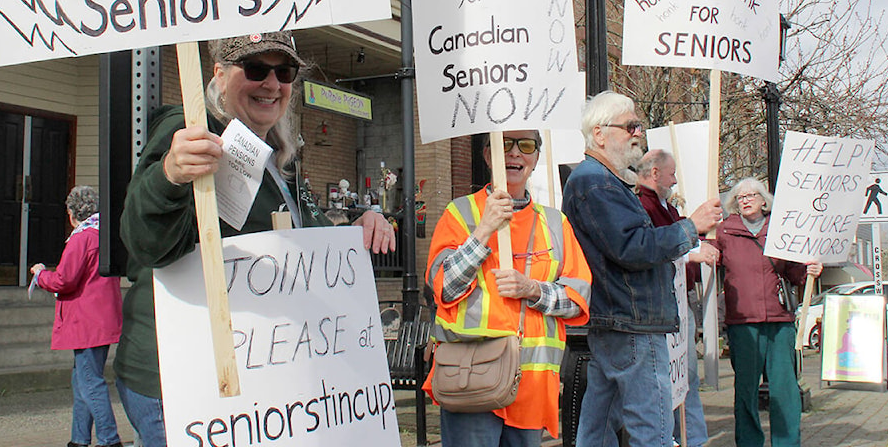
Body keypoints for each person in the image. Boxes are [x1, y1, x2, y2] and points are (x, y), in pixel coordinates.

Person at [112, 32, 396, 447]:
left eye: (283, 72)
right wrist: (170, 174)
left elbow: (301, 245)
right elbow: (145, 243)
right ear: (220, 75)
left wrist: (359, 228)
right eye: (256, 69)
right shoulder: (191, 131)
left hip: (262, 384)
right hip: (187, 383)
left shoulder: (279, 157)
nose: (271, 84)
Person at [561, 92, 722, 447]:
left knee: (598, 424)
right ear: (600, 134)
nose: (638, 132)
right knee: (651, 426)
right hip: (631, 321)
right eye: (630, 125)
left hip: (618, 319)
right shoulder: (596, 181)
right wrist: (690, 227)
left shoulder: (601, 180)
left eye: (638, 125)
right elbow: (632, 248)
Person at [424, 129, 592, 446]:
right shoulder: (459, 214)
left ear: (536, 158)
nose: (515, 153)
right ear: (488, 156)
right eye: (504, 145)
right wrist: (484, 229)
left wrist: (534, 290)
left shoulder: (555, 223)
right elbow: (443, 288)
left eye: (526, 145)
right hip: (472, 382)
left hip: (531, 390)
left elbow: (579, 298)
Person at [705, 177, 823, 447]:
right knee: (745, 390)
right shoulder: (723, 232)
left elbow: (795, 272)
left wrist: (810, 271)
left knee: (785, 390)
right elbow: (704, 262)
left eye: (751, 195)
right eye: (740, 197)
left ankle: (787, 442)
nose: (745, 200)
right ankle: (748, 442)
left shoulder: (780, 231)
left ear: (763, 201)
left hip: (779, 321)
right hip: (742, 322)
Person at [636, 149, 718, 447]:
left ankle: (692, 438)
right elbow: (652, 250)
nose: (675, 179)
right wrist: (694, 254)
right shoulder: (642, 208)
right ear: (655, 173)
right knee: (669, 381)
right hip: (662, 307)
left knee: (686, 378)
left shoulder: (666, 207)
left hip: (680, 303)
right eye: (671, 173)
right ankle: (671, 437)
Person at [31, 185, 123, 447]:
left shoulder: (81, 237)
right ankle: (79, 439)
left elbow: (64, 280)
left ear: (72, 213)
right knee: (82, 382)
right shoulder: (104, 235)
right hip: (102, 318)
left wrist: (40, 275)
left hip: (85, 321)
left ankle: (109, 440)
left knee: (90, 384)